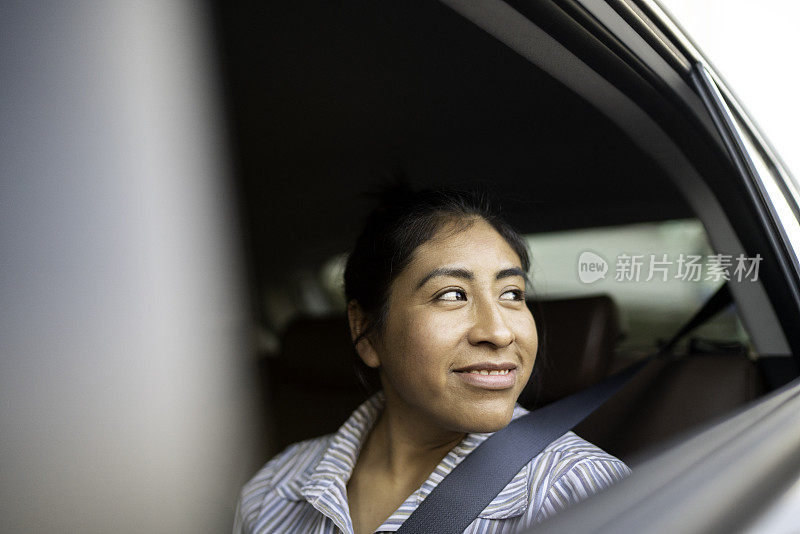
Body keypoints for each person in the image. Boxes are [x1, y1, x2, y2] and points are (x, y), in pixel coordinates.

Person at [234, 186, 631, 533]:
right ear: (366, 330)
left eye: (511, 293)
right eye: (453, 294)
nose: (499, 332)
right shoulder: (274, 489)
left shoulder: (576, 490)